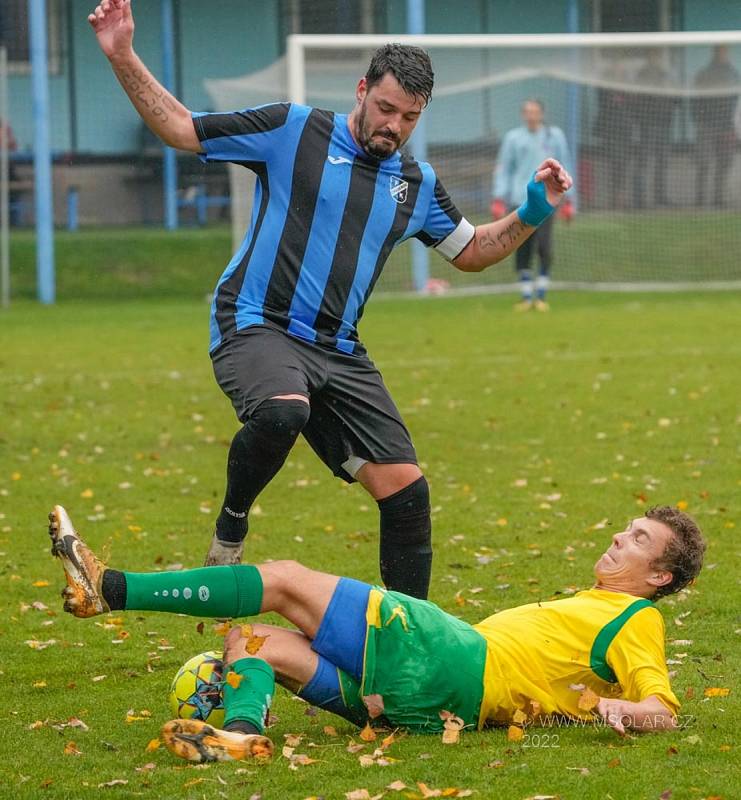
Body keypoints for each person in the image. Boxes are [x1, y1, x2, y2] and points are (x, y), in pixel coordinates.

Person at [87, 0, 572, 600]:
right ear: (362, 89)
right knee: (284, 410)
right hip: (256, 323)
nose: (393, 125)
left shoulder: (415, 185)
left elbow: (472, 250)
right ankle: (232, 524)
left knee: (408, 493)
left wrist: (533, 210)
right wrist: (123, 55)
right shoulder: (293, 128)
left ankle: (406, 642)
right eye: (386, 108)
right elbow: (182, 128)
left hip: (339, 351)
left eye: (409, 117)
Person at [48, 502, 705, 763]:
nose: (619, 538)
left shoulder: (636, 619)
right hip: (430, 707)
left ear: (657, 578)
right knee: (252, 642)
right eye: (625, 530)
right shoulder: (601, 604)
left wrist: (629, 709)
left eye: (638, 541)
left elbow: (662, 709)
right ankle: (241, 737)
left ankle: (110, 589)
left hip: (452, 655)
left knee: (281, 579)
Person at [492, 99, 574, 312]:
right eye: (527, 112)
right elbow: (505, 168)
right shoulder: (513, 138)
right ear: (522, 114)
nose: (531, 116)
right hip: (520, 201)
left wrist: (569, 200)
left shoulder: (554, 136)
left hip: (546, 201)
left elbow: (565, 166)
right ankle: (526, 296)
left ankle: (542, 295)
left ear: (542, 114)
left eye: (535, 112)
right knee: (521, 247)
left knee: (544, 247)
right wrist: (499, 198)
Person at [692, 45, 740, 208]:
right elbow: (696, 98)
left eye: (726, 52)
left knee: (724, 162)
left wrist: (733, 125)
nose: (724, 54)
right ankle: (700, 199)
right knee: (703, 163)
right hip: (706, 125)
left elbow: (735, 100)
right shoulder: (704, 73)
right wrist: (698, 120)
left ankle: (718, 198)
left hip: (726, 126)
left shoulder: (733, 73)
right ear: (715, 53)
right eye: (721, 51)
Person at [631, 51, 678, 209]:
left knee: (662, 161)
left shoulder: (665, 76)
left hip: (663, 124)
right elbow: (637, 101)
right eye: (653, 56)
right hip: (647, 125)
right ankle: (640, 199)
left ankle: (660, 196)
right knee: (643, 161)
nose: (656, 59)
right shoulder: (643, 76)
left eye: (658, 57)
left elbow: (674, 99)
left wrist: (670, 106)